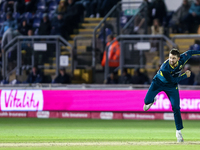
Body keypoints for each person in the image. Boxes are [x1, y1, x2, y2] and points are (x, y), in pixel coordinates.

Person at [143, 48, 200, 143]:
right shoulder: (165, 68)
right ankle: (152, 100)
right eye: (170, 58)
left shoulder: (183, 58)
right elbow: (173, 80)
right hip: (158, 83)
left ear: (178, 58)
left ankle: (179, 133)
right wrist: (185, 75)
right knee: (146, 103)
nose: (171, 60)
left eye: (173, 58)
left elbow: (191, 52)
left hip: (171, 87)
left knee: (176, 108)